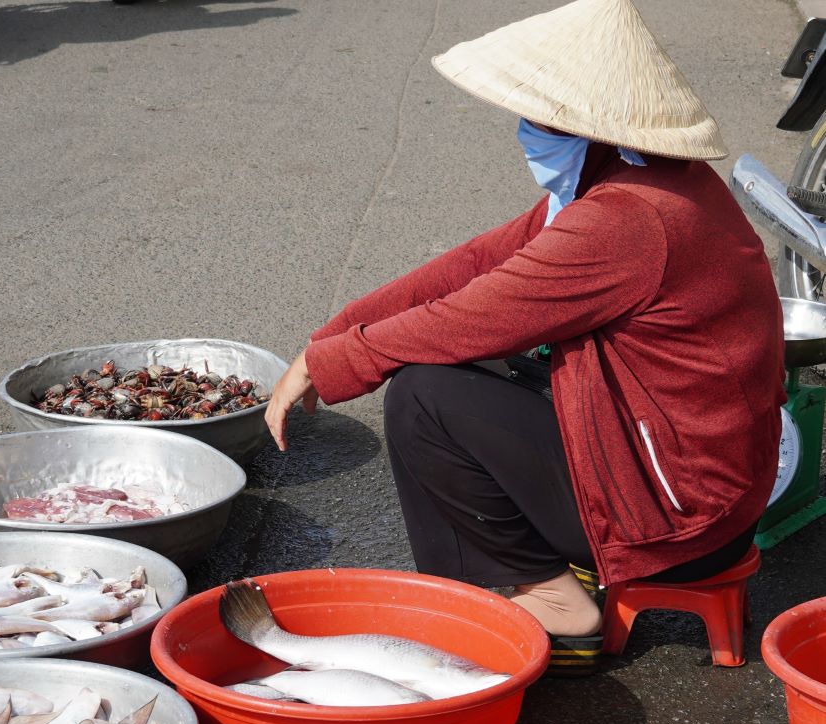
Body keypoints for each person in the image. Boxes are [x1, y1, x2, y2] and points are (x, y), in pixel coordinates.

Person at [264, 0, 785, 674]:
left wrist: (334, 360)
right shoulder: (637, 179)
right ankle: (544, 569)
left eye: (540, 121)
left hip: (685, 514)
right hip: (699, 472)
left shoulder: (627, 219)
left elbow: (468, 316)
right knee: (462, 365)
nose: (525, 132)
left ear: (586, 127)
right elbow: (474, 266)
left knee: (423, 394)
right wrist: (327, 340)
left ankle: (555, 601)